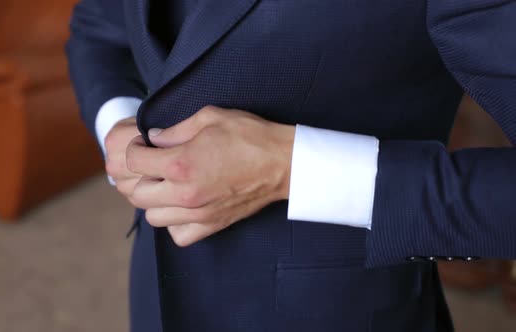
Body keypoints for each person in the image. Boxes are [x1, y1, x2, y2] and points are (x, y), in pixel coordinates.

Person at [65, 0, 516, 331]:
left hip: (338, 311)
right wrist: (117, 129)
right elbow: (99, 25)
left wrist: (293, 170)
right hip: (156, 292)